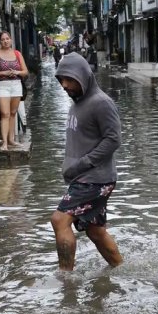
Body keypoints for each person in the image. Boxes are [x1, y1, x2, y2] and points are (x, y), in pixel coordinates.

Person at [51, 53, 123, 271]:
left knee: (59, 220)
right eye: (61, 79)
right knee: (95, 231)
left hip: (94, 179)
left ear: (83, 76)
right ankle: (121, 270)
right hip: (85, 177)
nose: (64, 85)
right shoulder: (78, 102)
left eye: (70, 79)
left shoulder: (101, 103)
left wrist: (82, 164)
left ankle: (66, 279)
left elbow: (113, 139)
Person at [0, 31, 28, 151]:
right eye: (3, 39)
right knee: (5, 113)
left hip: (16, 84)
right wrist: (2, 73)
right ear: (0, 41)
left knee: (13, 113)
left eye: (7, 38)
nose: (5, 41)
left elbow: (25, 71)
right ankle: (4, 142)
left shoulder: (17, 53)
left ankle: (11, 140)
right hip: (2, 85)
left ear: (11, 40)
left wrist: (17, 72)